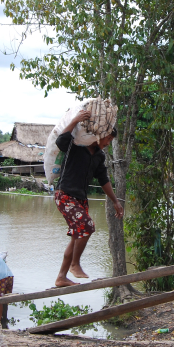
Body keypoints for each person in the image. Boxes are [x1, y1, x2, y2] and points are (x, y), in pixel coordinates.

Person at [53, 110, 124, 287]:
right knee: (87, 226)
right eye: (108, 139)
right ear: (100, 135)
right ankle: (75, 264)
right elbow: (61, 141)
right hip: (65, 195)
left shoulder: (99, 156)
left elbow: (103, 180)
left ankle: (61, 277)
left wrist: (115, 201)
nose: (108, 143)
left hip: (81, 199)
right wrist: (76, 120)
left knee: (77, 236)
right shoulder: (76, 145)